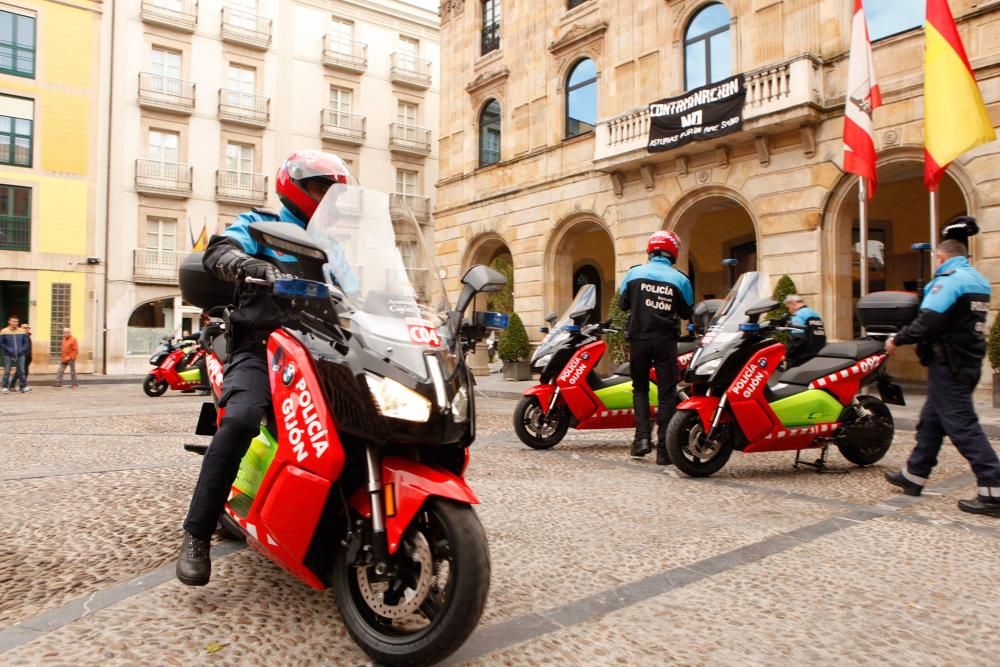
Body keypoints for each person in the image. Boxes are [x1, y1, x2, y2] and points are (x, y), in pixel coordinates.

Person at [176, 150, 352, 586]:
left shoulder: (335, 246)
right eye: (318, 187)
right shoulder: (259, 225)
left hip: (322, 352)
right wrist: (244, 263)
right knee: (239, 420)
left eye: (333, 189)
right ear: (294, 187)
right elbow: (220, 251)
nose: (325, 196)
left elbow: (359, 289)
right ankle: (197, 533)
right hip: (261, 349)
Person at [884, 239, 1000, 517]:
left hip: (949, 364)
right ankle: (914, 474)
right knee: (932, 421)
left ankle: (994, 487)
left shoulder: (949, 280)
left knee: (961, 424)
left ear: (941, 257)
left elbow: (929, 321)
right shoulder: (978, 279)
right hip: (966, 362)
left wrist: (897, 339)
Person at [618, 231, 693, 465]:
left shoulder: (634, 273)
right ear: (673, 253)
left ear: (650, 251)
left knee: (639, 389)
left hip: (639, 339)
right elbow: (686, 312)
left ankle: (641, 441)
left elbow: (622, 304)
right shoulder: (680, 279)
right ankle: (664, 450)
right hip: (665, 342)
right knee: (667, 394)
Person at [784, 295, 826, 367]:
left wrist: (787, 355)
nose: (789, 310)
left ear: (793, 303)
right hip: (817, 356)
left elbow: (797, 339)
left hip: (801, 358)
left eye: (788, 307)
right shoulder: (816, 314)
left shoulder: (798, 315)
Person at [0, 316, 29, 394]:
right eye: (13, 321)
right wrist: (8, 349)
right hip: (8, 354)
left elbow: (26, 342)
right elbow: (1, 343)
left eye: (17, 321)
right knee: (7, 370)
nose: (15, 323)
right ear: (9, 321)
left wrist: (23, 349)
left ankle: (23, 387)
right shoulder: (4, 331)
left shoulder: (22, 331)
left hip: (20, 354)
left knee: (22, 370)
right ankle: (5, 387)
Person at [21, 323, 32, 387]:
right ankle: (13, 385)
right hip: (23, 355)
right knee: (21, 371)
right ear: (21, 328)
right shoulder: (20, 336)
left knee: (25, 371)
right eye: (25, 328)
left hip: (28, 356)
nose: (27, 329)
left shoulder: (27, 335)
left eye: (28, 328)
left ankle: (23, 385)